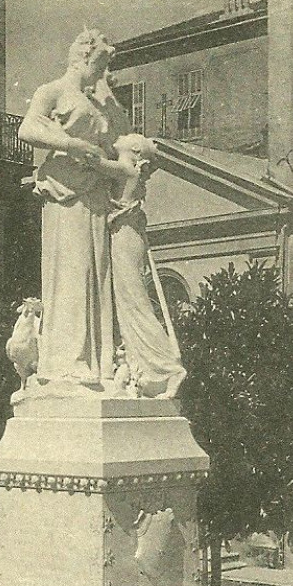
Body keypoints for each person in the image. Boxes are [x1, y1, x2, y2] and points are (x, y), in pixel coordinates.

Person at [17, 30, 120, 385]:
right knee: (72, 272)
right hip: (65, 191)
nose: (103, 73)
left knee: (96, 272)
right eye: (101, 64)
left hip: (95, 193)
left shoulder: (98, 101)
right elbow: (28, 128)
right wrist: (71, 143)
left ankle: (98, 360)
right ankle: (68, 359)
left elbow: (117, 137)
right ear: (85, 57)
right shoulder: (54, 90)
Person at [95, 133, 187, 398]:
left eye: (125, 137)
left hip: (124, 238)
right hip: (128, 237)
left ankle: (168, 366)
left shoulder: (125, 168)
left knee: (134, 303)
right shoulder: (130, 172)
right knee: (131, 303)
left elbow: (92, 161)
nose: (119, 135)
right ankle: (152, 366)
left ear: (133, 149)